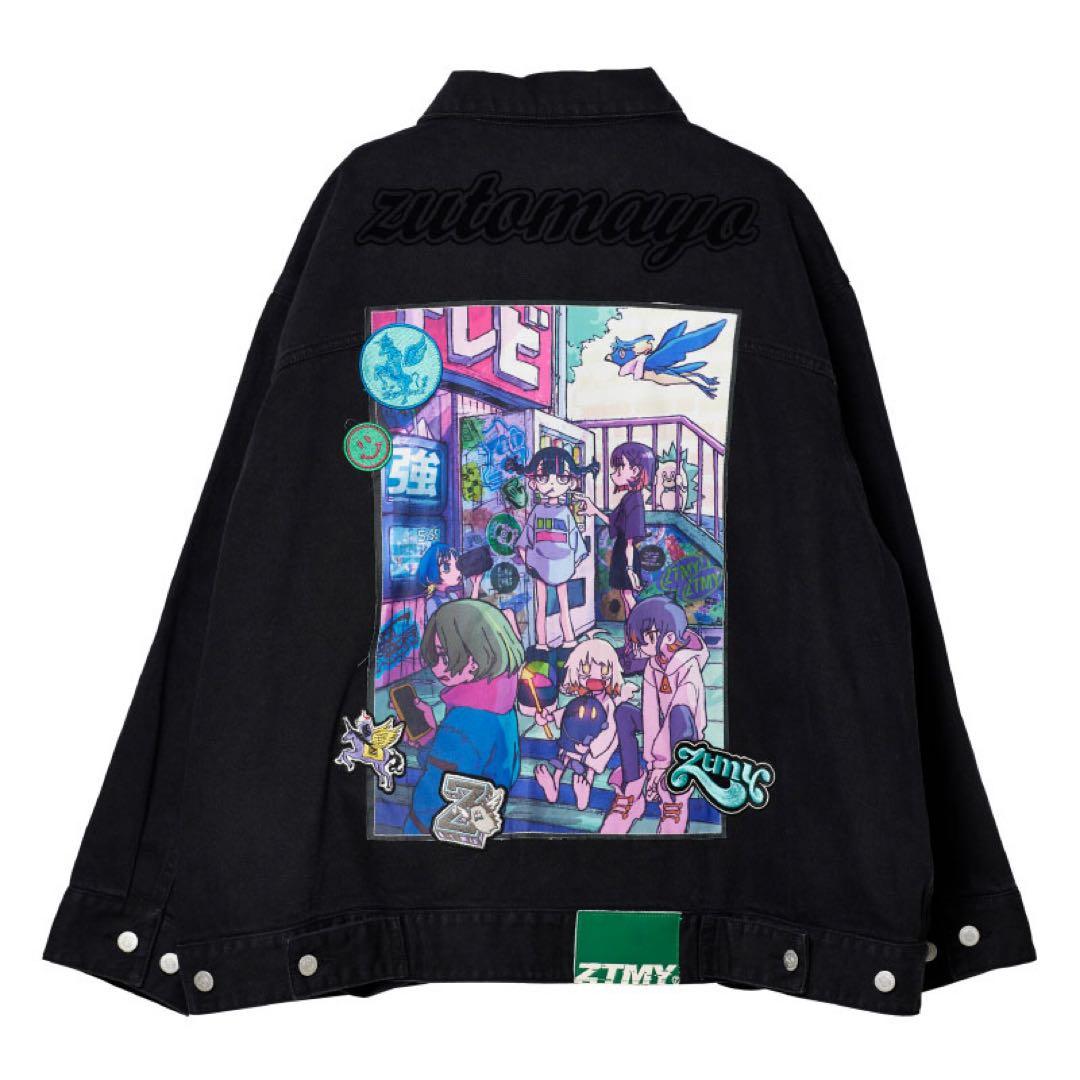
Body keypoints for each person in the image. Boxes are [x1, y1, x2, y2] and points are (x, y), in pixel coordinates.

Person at [403, 599, 524, 834]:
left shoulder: (463, 722)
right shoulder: (502, 704)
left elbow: (438, 786)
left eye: (446, 656)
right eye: (435, 656)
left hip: (440, 829)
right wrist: (432, 739)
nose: (437, 668)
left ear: (482, 654)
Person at [600, 596, 708, 835]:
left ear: (668, 638)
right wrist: (652, 763)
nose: (638, 646)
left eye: (645, 639)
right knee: (624, 713)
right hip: (660, 730)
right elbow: (649, 713)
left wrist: (661, 767)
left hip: (685, 737)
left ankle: (675, 795)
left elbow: (681, 715)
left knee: (679, 714)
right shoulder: (653, 664)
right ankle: (632, 784)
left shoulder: (688, 667)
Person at [507, 447, 598, 649]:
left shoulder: (562, 512)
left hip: (552, 564)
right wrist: (530, 561)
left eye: (561, 479)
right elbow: (526, 540)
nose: (551, 484)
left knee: (557, 605)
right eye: (543, 478)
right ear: (533, 483)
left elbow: (573, 541)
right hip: (544, 563)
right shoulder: (539, 511)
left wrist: (530, 559)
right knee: (547, 606)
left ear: (571, 482)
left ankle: (564, 640)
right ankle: (547, 642)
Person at [533, 633, 637, 811]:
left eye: (603, 671)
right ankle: (554, 786)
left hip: (594, 747)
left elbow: (610, 731)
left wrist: (592, 748)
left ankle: (584, 793)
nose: (595, 677)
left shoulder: (608, 704)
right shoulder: (582, 699)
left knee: (588, 768)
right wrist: (548, 717)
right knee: (564, 757)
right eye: (586, 669)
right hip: (575, 740)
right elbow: (568, 713)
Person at [579, 441, 654, 615]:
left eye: (620, 468)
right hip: (622, 552)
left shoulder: (634, 500)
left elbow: (630, 540)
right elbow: (615, 523)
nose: (614, 473)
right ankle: (632, 629)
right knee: (625, 594)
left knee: (628, 595)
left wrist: (630, 569)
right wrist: (595, 510)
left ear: (635, 471)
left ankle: (637, 626)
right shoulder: (630, 498)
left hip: (626, 555)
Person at [416, 542, 481, 620]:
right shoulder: (432, 603)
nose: (457, 572)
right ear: (432, 572)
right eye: (446, 568)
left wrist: (476, 585)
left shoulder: (453, 596)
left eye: (457, 565)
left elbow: (467, 615)